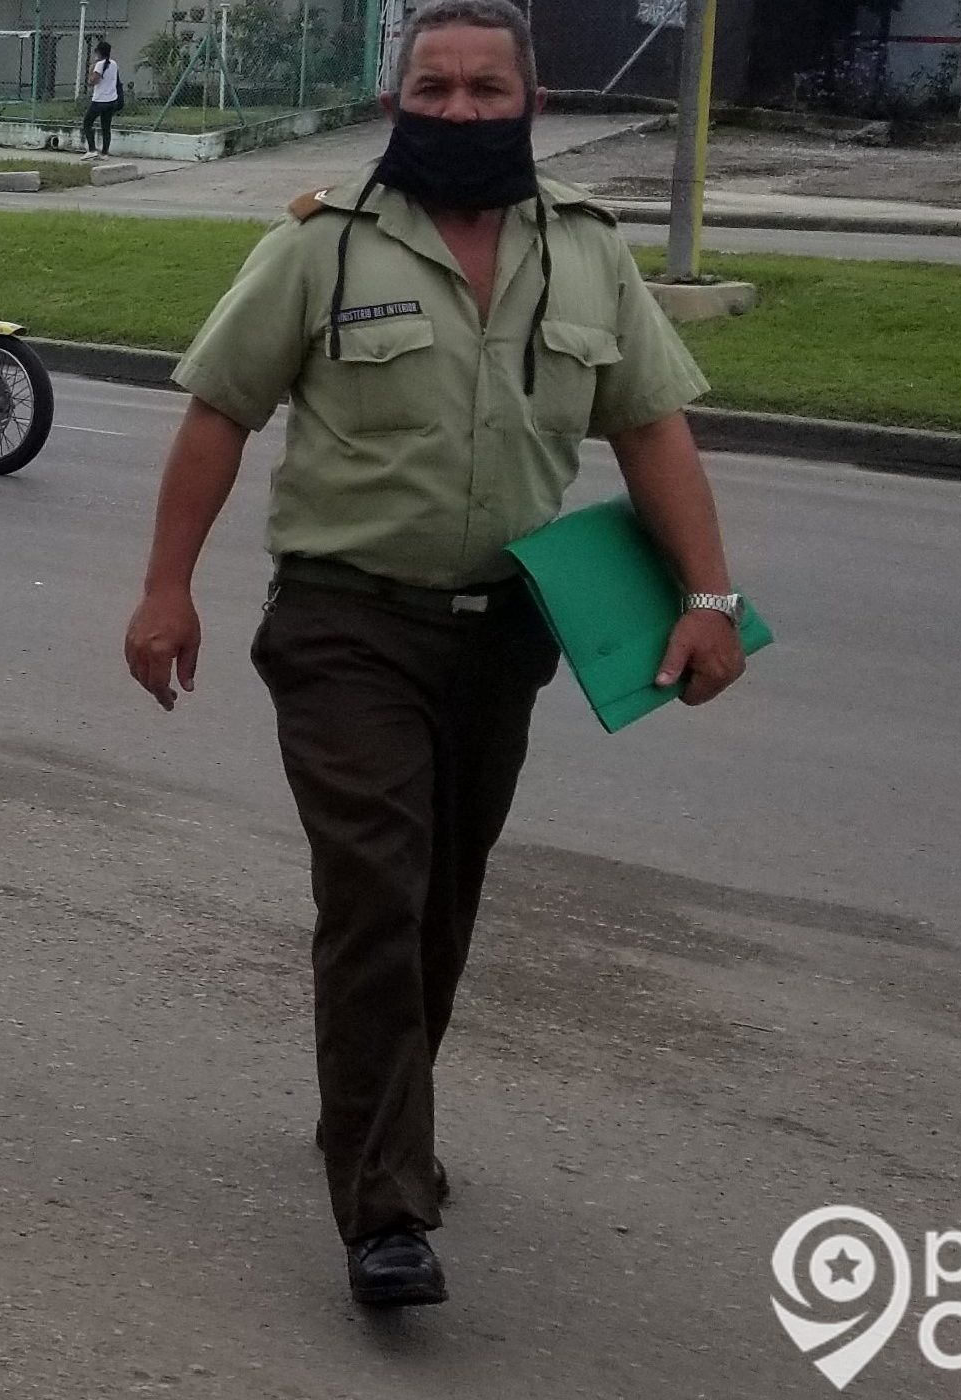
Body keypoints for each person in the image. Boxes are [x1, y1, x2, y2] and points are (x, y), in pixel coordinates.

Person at [123, 0, 746, 1309]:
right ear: (397, 99)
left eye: (483, 88)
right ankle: (385, 1205)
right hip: (343, 624)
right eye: (434, 87)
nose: (457, 108)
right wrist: (164, 591)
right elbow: (217, 415)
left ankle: (366, 1118)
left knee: (440, 903)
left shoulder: (585, 254)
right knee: (376, 892)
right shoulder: (319, 247)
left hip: (502, 634)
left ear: (527, 101)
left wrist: (706, 593)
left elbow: (649, 431)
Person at [81, 41, 123, 160]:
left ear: (99, 52)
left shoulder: (99, 65)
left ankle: (92, 149)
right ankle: (105, 153)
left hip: (99, 100)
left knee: (87, 123)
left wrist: (91, 69)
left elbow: (92, 82)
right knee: (106, 126)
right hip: (112, 100)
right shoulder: (114, 64)